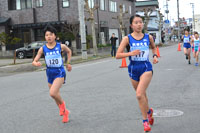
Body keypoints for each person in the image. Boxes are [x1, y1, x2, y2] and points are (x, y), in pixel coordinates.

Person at [116, 15, 158, 132]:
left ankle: (145, 121)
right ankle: (149, 111)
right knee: (142, 95)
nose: (139, 24)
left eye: (141, 22)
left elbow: (154, 48)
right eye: (136, 22)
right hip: (133, 69)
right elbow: (117, 55)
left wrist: (154, 56)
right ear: (131, 25)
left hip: (146, 67)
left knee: (139, 94)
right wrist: (130, 53)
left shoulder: (148, 37)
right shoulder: (127, 39)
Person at [32, 24, 72, 123]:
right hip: (49, 73)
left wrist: (68, 63)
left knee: (52, 93)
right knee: (55, 95)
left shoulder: (60, 46)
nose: (49, 37)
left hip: (59, 72)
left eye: (51, 34)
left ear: (55, 36)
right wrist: (35, 63)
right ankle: (65, 112)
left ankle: (63, 107)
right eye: (46, 35)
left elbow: (69, 51)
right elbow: (34, 60)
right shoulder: (43, 49)